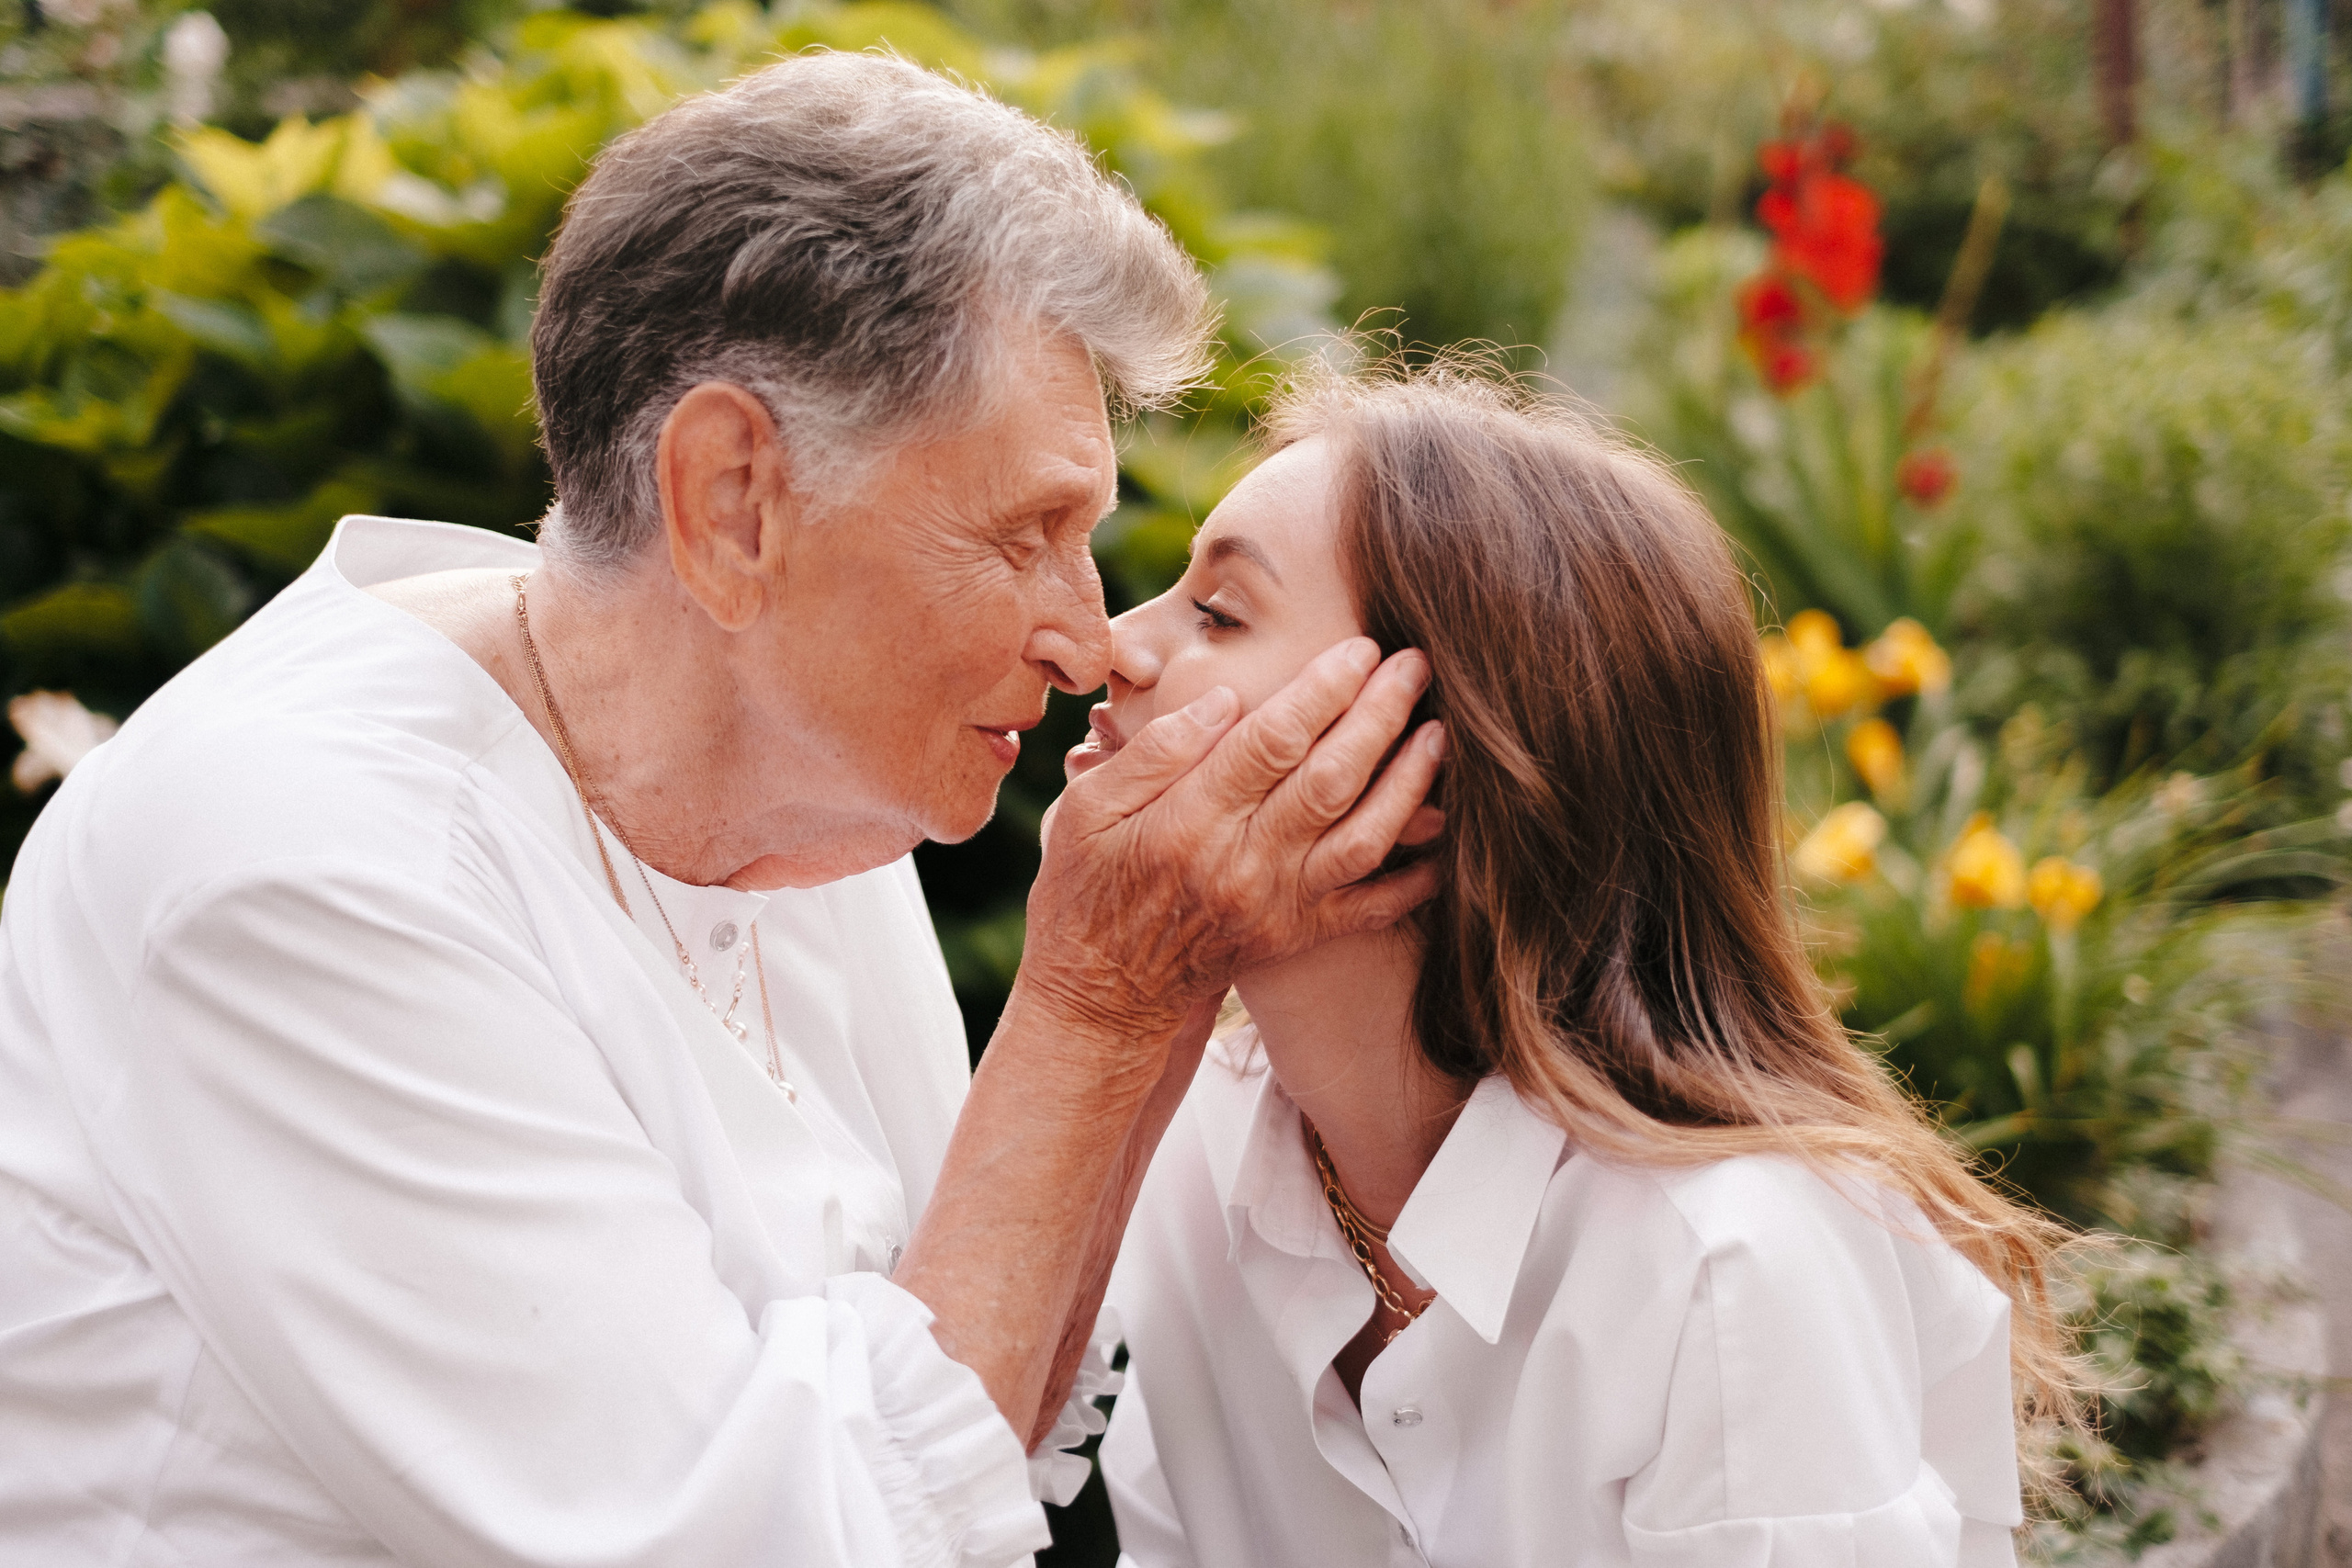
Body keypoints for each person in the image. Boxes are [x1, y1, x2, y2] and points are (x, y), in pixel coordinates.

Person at [0, 54, 1443, 1568]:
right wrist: (1099, 996)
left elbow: (960, 1420)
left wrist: (1162, 979)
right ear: (733, 499)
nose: (1087, 638)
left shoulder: (799, 788)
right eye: (1027, 534)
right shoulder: (301, 871)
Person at [1082, 360, 2078, 1568]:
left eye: (1220, 612)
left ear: (1431, 771)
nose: (1110, 648)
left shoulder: (1727, 1271)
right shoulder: (1195, 1159)